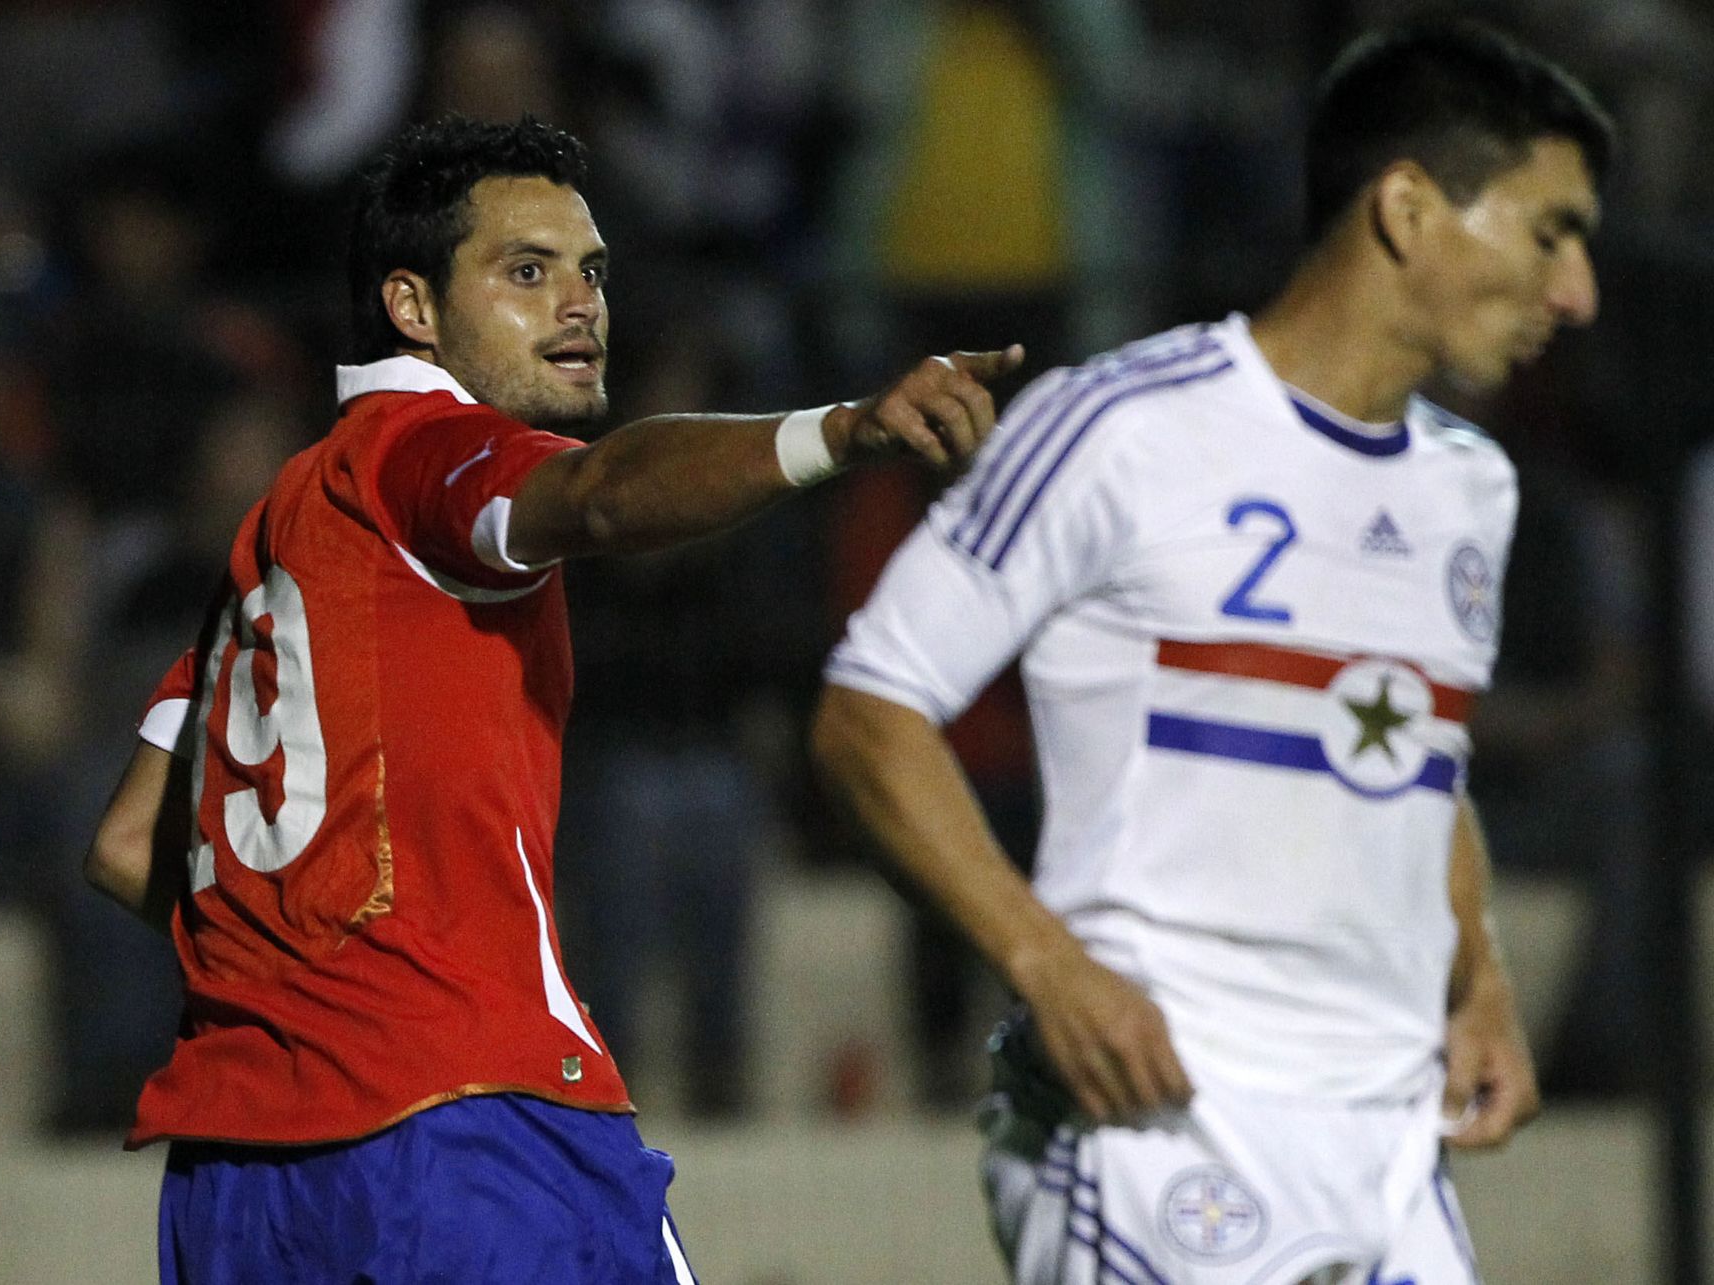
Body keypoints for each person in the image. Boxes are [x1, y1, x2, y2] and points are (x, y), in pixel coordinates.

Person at [83, 113, 1020, 1283]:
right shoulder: (422, 451)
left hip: (237, 1186)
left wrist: (314, 984)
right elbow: (603, 498)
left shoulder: (279, 541)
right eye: (526, 272)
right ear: (414, 309)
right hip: (466, 1135)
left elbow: (129, 845)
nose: (580, 303)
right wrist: (839, 431)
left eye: (591, 271)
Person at [811, 20, 1610, 1285]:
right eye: (1550, 230)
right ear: (1407, 208)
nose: (1577, 293)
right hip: (1153, 1128)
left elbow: (1416, 757)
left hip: (1389, 1142)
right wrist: (1050, 969)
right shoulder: (1118, 427)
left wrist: (1484, 980)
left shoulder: (1475, 490)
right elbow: (869, 710)